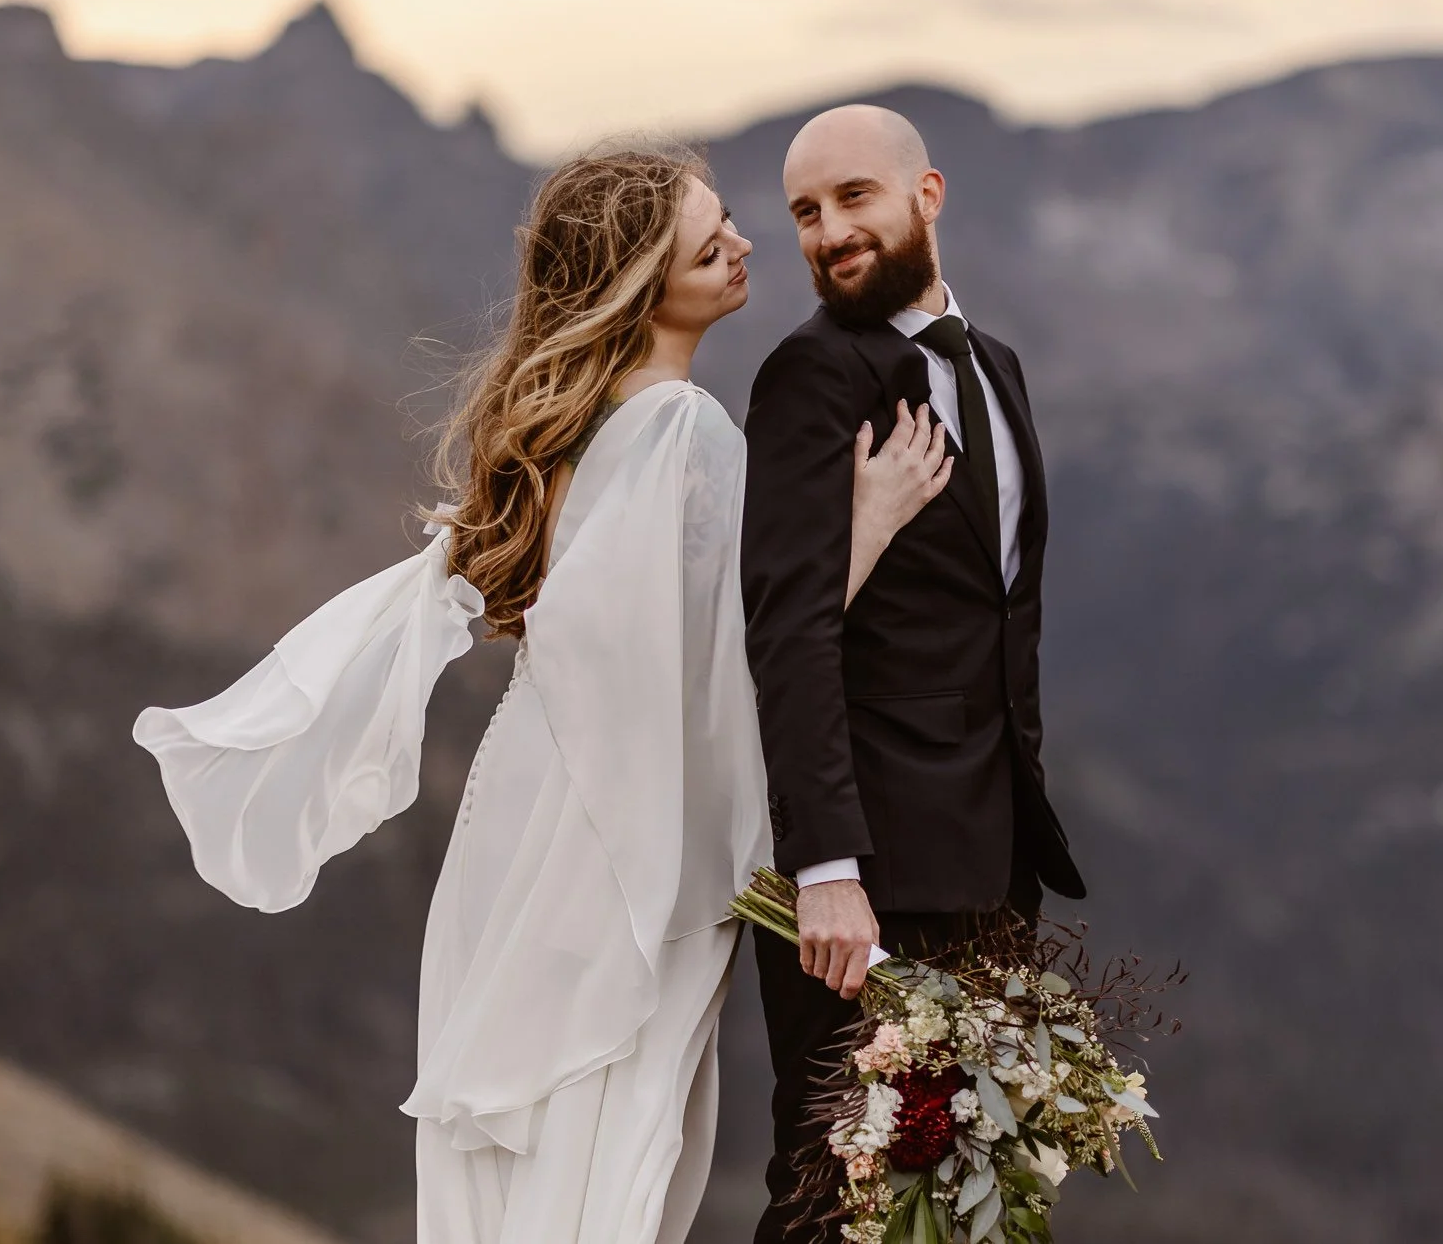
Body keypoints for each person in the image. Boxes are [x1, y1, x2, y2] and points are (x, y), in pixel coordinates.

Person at [133, 147, 951, 1244]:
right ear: (637, 283)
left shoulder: (583, 423)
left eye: (731, 224)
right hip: (615, 836)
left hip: (531, 816)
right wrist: (870, 525)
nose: (748, 247)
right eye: (710, 246)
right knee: (605, 1128)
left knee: (542, 1136)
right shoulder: (676, 427)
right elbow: (727, 655)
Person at [741, 106, 1089, 1241]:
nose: (826, 232)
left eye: (852, 199)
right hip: (863, 879)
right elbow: (786, 631)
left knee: (953, 1205)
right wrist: (823, 866)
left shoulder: (996, 369)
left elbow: (999, 620)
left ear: (924, 196)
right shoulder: (809, 376)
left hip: (988, 861)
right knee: (828, 1194)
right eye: (803, 212)